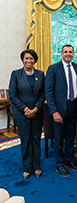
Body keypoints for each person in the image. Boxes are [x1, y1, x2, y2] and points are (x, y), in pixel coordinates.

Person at [45, 44, 77, 177]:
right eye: (65, 52)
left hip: (73, 107)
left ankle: (69, 160)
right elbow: (48, 92)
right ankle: (59, 164)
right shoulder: (53, 68)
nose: (68, 54)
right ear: (61, 54)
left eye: (70, 52)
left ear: (73, 54)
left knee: (71, 137)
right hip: (59, 109)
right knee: (59, 138)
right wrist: (54, 111)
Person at [9, 49, 45, 179]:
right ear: (23, 60)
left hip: (37, 113)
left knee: (36, 139)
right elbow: (12, 96)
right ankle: (26, 168)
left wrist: (35, 109)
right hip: (21, 113)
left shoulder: (41, 74)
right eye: (26, 58)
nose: (29, 61)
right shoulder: (16, 74)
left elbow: (43, 94)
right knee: (25, 140)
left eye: (31, 58)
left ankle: (37, 166)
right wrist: (25, 110)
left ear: (35, 60)